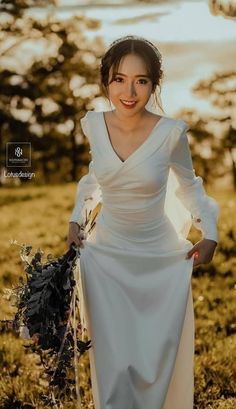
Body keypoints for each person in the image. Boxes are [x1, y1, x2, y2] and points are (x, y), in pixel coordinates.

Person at [67, 35, 219, 409]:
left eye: (142, 80)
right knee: (113, 365)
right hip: (106, 259)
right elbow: (94, 180)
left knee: (154, 363)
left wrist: (210, 233)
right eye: (119, 79)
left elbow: (189, 187)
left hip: (160, 261)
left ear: (154, 82)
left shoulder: (171, 133)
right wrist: (76, 219)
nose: (129, 91)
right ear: (105, 81)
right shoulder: (94, 125)